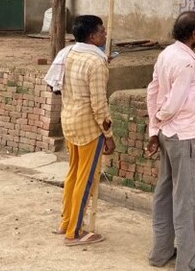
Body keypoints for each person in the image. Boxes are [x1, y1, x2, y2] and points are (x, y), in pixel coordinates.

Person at [145, 11, 195, 271]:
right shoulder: (186, 63)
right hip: (182, 135)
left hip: (166, 135)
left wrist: (155, 128)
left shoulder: (167, 54)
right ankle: (188, 262)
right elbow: (172, 103)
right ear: (194, 33)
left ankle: (160, 253)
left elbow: (152, 90)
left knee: (164, 194)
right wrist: (162, 119)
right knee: (188, 201)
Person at [57, 15, 114, 246]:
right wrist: (108, 135)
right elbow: (99, 104)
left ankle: (66, 222)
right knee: (86, 179)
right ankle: (75, 233)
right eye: (102, 31)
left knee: (73, 174)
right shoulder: (95, 63)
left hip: (69, 121)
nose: (105, 34)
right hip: (89, 127)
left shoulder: (68, 53)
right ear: (92, 36)